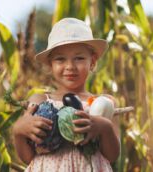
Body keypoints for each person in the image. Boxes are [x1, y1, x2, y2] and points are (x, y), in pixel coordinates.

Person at [12, 17, 120, 172]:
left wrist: (105, 127)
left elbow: (112, 156)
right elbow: (28, 157)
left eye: (79, 58)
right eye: (60, 59)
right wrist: (18, 131)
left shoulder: (104, 104)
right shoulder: (39, 101)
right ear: (50, 64)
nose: (70, 66)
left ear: (93, 61)